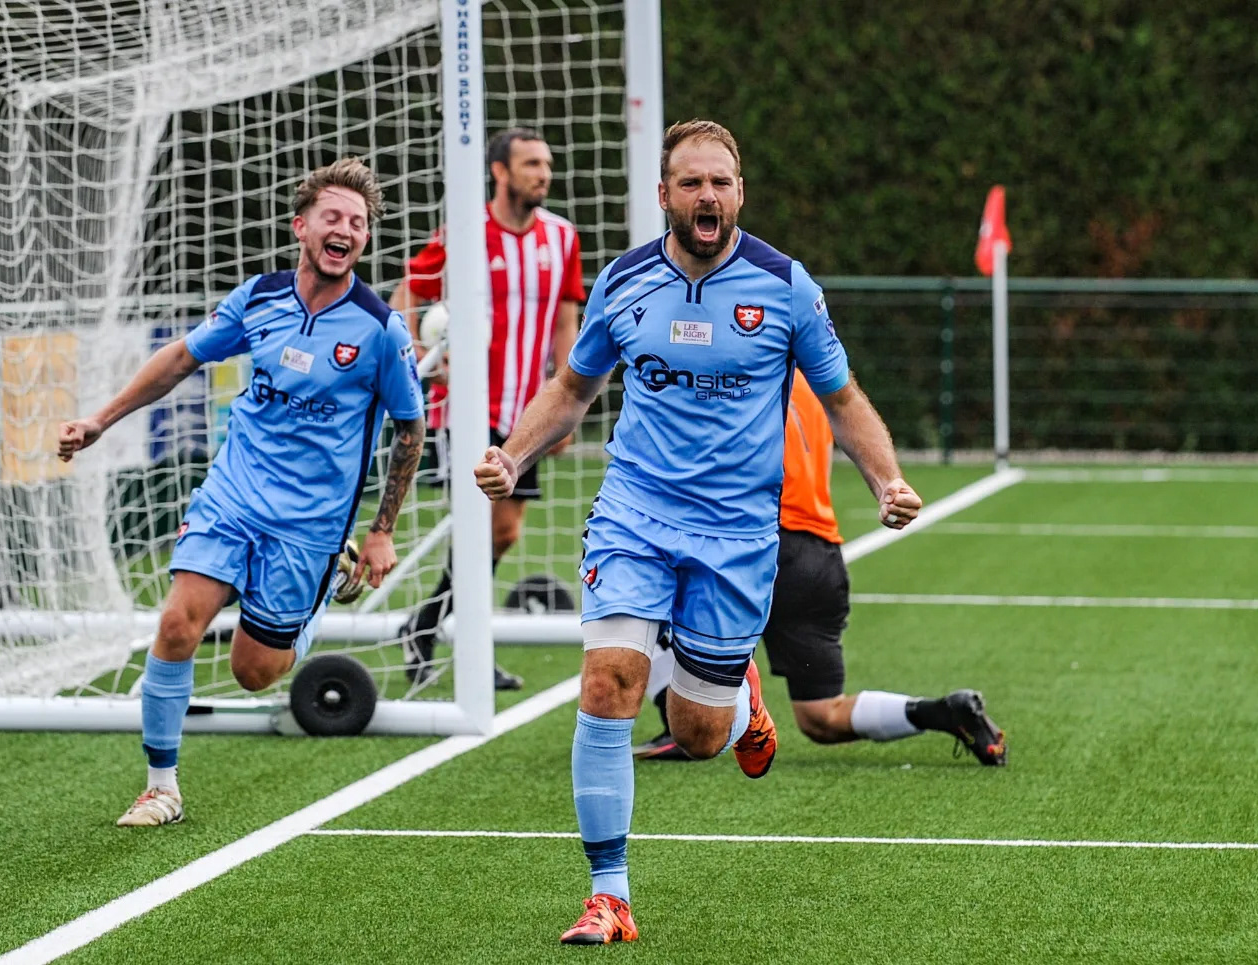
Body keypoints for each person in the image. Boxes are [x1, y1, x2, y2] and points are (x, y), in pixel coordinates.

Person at [472, 119, 924, 946]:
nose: (706, 194)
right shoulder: (625, 280)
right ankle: (609, 894)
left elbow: (843, 398)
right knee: (608, 681)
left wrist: (886, 479)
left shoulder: (784, 286)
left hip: (736, 534)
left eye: (720, 181)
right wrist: (511, 451)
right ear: (665, 195)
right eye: (691, 182)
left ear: (739, 193)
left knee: (698, 733)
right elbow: (572, 389)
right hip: (633, 513)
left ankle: (739, 700)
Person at [57, 158, 425, 827]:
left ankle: (319, 594)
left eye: (358, 222)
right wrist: (99, 421)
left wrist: (380, 531)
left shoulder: (380, 328)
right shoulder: (258, 297)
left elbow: (410, 427)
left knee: (254, 671)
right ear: (302, 226)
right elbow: (180, 359)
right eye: (333, 216)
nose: (345, 230)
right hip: (232, 496)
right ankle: (161, 788)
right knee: (177, 624)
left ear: (366, 239)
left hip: (308, 525)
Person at [633, 373, 1007, 764]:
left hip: (749, 539)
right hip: (816, 554)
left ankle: (689, 717)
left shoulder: (726, 368)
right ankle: (941, 712)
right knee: (821, 716)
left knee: (635, 578)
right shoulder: (818, 376)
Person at [389, 127, 584, 691]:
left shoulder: (561, 237)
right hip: (467, 408)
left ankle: (424, 626)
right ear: (500, 172)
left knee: (504, 532)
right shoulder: (465, 233)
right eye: (531, 164)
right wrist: (420, 355)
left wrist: (569, 400)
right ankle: (459, 642)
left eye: (546, 163)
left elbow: (565, 322)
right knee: (484, 526)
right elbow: (409, 293)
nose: (543, 173)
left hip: (530, 410)